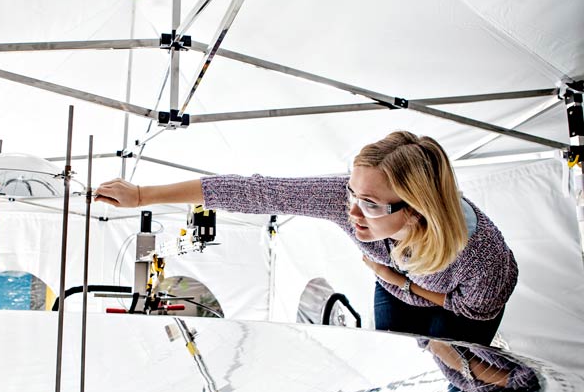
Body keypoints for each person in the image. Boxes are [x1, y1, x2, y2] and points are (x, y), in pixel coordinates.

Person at [95, 131, 518, 345]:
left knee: (452, 370)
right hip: (394, 285)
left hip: (457, 307)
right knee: (397, 357)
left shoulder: (482, 256)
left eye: (370, 203)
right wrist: (142, 195)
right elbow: (254, 191)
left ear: (416, 208)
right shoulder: (343, 199)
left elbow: (472, 310)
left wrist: (404, 284)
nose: (351, 212)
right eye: (352, 192)